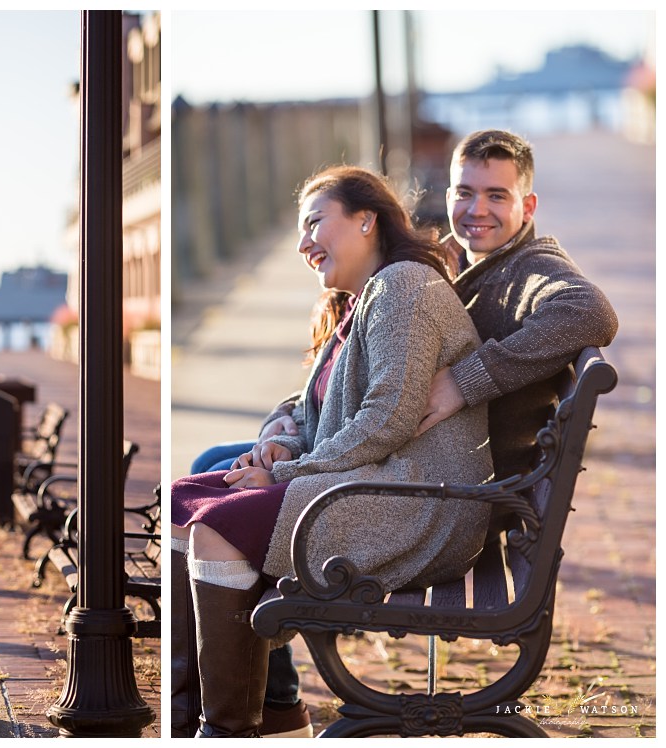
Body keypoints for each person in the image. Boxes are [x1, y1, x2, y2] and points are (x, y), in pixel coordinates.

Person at [171, 165, 494, 738]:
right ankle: (224, 711)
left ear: (366, 219)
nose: (302, 244)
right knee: (182, 502)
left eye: (315, 223)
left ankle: (225, 729)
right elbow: (311, 404)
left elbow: (387, 420)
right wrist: (278, 441)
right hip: (375, 481)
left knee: (212, 528)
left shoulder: (404, 290)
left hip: (415, 500)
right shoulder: (362, 299)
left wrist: (285, 474)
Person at [416, 129, 619, 483]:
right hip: (423, 471)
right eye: (465, 193)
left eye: (496, 195)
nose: (477, 209)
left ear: (527, 207)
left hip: (462, 493)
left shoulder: (531, 266)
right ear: (449, 197)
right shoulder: (440, 259)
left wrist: (465, 381)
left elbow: (594, 311)